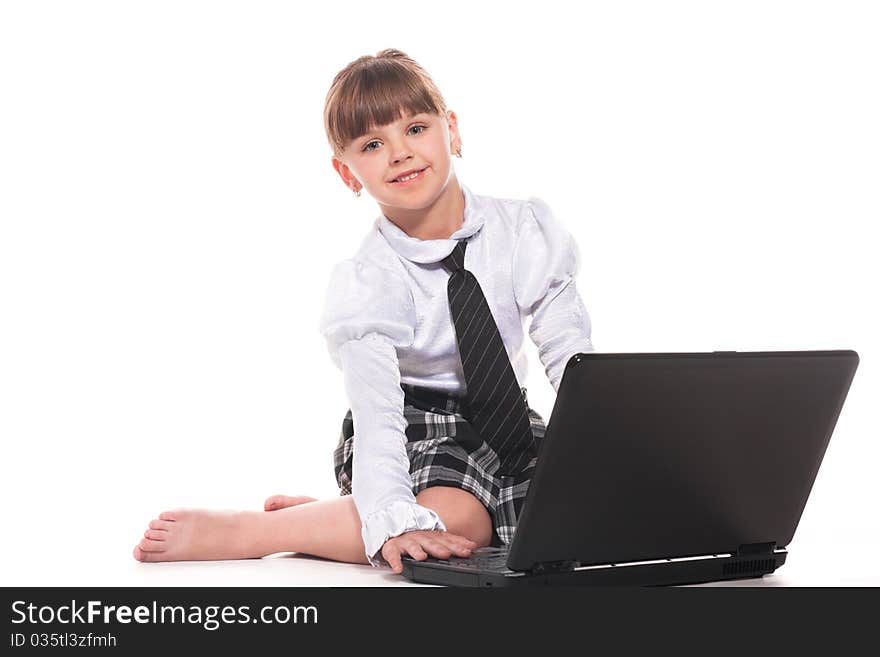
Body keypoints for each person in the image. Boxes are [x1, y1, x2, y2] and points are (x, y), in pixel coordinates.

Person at [132, 48, 595, 575]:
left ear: (453, 131)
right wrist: (393, 515)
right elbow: (378, 415)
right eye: (373, 144)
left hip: (504, 419)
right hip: (412, 421)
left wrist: (608, 439)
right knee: (461, 522)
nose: (400, 153)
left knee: (573, 515)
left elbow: (571, 355)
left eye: (416, 129)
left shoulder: (525, 231)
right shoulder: (369, 281)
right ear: (348, 173)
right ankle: (259, 531)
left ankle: (332, 521)